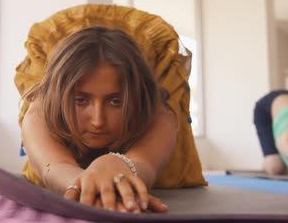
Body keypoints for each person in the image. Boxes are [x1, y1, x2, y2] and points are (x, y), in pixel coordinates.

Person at [20, 25, 186, 213]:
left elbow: (146, 165)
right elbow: (54, 168)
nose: (98, 121)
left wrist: (115, 163)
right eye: (80, 100)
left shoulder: (156, 111)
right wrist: (100, 191)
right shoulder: (40, 110)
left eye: (115, 102)